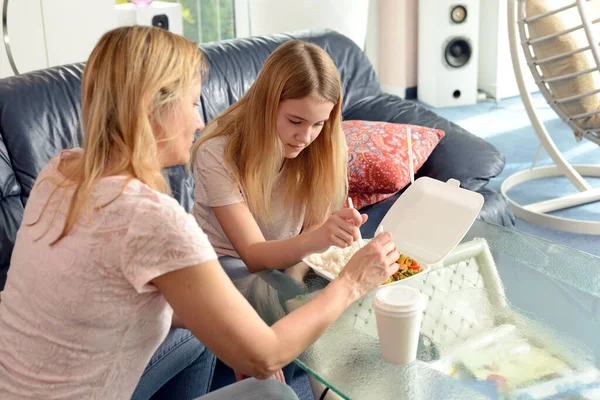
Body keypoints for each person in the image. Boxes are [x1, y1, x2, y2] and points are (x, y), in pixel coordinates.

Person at [0, 27, 400, 400]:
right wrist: (351, 282)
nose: (198, 120)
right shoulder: (153, 219)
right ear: (151, 108)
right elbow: (266, 356)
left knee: (199, 334)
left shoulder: (62, 169)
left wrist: (234, 338)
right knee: (272, 391)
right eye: (192, 103)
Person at [192, 40, 366, 283]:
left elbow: (311, 234)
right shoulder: (217, 151)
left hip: (292, 259)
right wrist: (317, 242)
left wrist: (298, 275)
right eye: (295, 121)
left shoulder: (324, 143)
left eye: (318, 123)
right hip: (225, 264)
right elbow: (253, 254)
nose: (305, 138)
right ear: (266, 106)